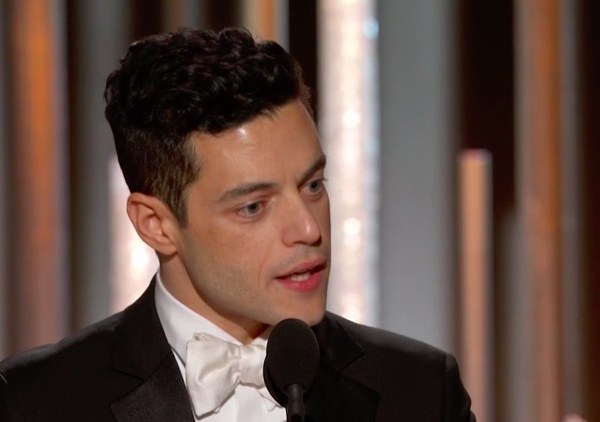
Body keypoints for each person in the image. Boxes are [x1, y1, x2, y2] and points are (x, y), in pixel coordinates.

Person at [0, 27, 475, 421]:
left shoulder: (420, 391)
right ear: (156, 225)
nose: (308, 229)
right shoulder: (34, 402)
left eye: (313, 185)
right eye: (254, 207)